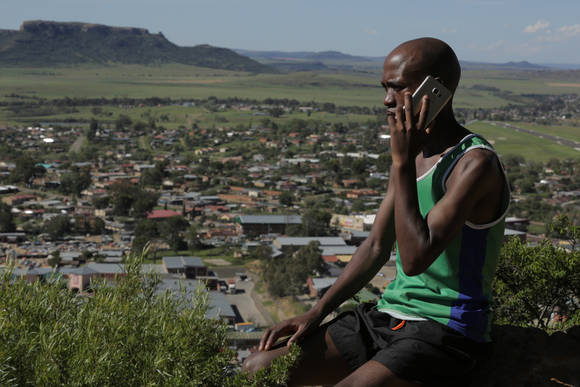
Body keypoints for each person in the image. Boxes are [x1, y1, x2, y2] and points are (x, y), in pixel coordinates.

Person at [242, 37, 510, 386]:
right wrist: (317, 310)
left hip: (447, 329)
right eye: (384, 88)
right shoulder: (411, 156)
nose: (387, 100)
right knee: (258, 368)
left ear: (436, 90)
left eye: (398, 88)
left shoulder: (474, 164)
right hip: (388, 317)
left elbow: (415, 259)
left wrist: (401, 163)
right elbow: (375, 246)